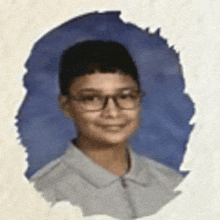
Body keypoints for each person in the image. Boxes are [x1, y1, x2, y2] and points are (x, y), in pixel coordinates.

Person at [30, 40, 184, 219]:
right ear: (66, 106)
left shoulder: (173, 185)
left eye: (125, 96)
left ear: (138, 100)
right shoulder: (41, 195)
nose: (112, 112)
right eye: (92, 99)